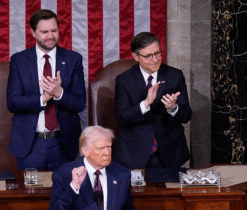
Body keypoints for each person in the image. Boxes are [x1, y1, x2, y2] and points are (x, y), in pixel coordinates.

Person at [7, 9, 86, 170]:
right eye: (44, 32)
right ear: (33, 32)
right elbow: (13, 102)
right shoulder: (19, 60)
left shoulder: (73, 59)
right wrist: (43, 98)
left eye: (54, 31)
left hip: (63, 144)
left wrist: (59, 93)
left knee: (66, 193)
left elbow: (80, 103)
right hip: (31, 144)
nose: (50, 36)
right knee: (30, 194)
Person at [114, 32, 192, 169]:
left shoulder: (175, 75)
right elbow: (122, 117)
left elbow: (186, 115)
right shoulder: (124, 80)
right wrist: (145, 104)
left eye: (157, 53)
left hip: (170, 152)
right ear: (136, 57)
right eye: (148, 56)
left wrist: (173, 108)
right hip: (134, 152)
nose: (155, 59)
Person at [49, 126, 134, 210]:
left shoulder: (123, 174)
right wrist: (73, 187)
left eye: (109, 147)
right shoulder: (64, 174)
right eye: (101, 148)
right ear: (86, 151)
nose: (107, 153)